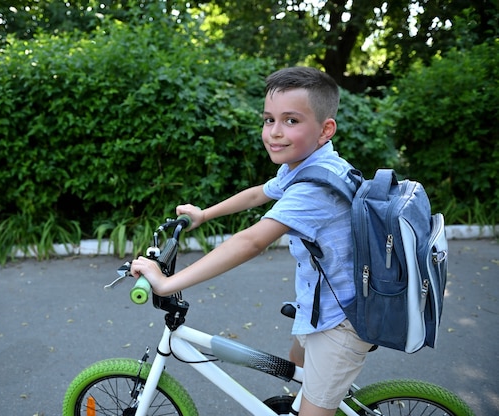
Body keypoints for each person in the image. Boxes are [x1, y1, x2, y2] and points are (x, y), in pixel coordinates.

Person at [130, 66, 373, 416]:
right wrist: (204, 214)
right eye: (268, 119)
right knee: (297, 362)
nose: (274, 132)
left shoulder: (313, 189)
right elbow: (259, 193)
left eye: (291, 121)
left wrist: (168, 283)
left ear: (325, 130)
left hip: (342, 320)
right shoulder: (307, 165)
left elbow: (251, 241)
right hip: (322, 306)